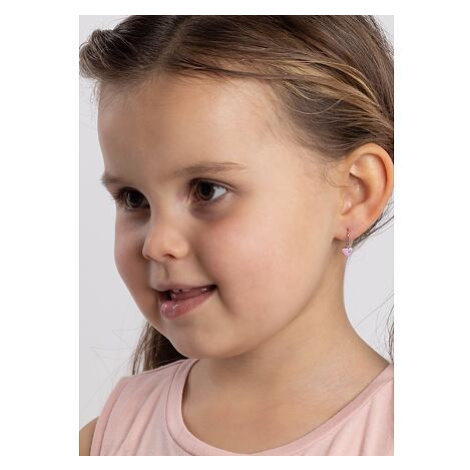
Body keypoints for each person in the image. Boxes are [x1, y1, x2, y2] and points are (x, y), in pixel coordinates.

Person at [79, 15, 394, 456]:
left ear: (354, 193)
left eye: (208, 190)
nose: (157, 243)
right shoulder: (105, 441)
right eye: (134, 199)